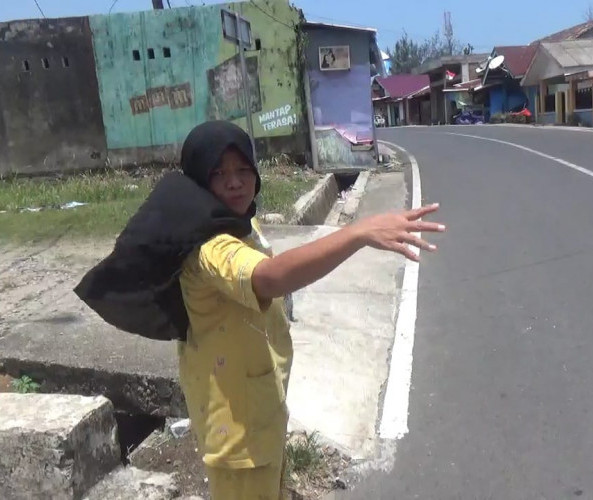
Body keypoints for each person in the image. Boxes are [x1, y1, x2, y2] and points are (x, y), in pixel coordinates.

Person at [75, 121, 444, 499]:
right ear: (199, 182)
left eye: (242, 170)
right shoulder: (209, 248)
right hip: (239, 440)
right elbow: (267, 278)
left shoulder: (235, 220)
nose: (234, 182)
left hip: (259, 417)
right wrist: (357, 233)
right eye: (219, 174)